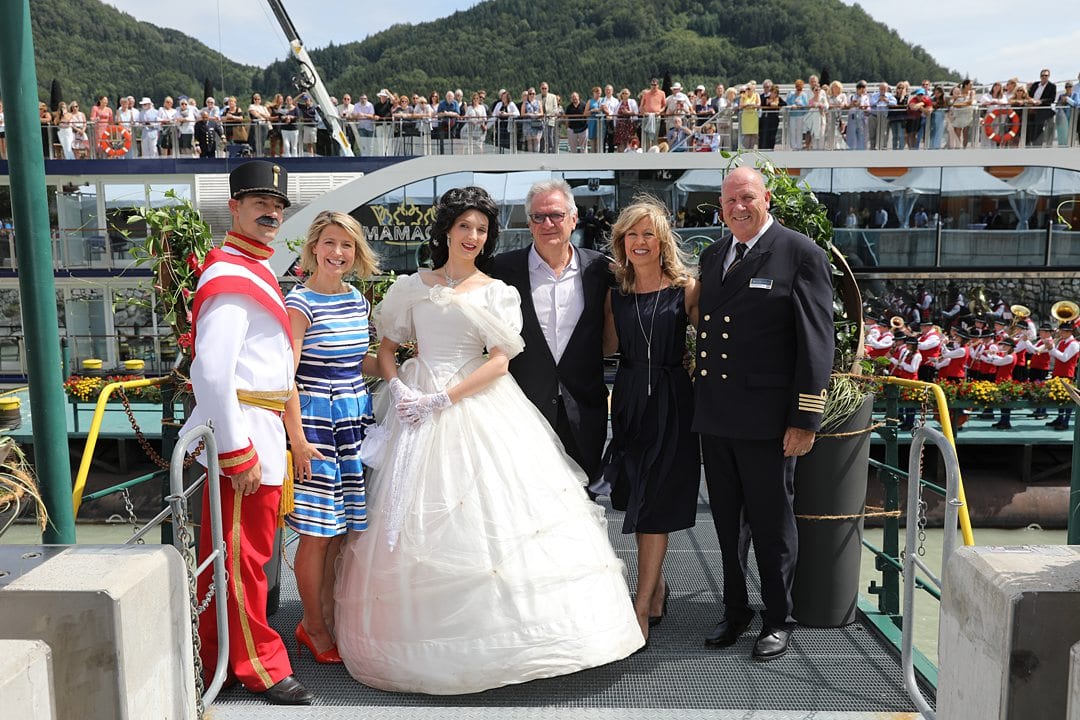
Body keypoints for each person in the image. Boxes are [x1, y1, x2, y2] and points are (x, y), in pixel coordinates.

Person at [334, 186, 643, 694]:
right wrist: (399, 388)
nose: (473, 237)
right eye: (464, 227)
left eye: (481, 229)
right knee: (406, 517)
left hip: (475, 401)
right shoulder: (413, 286)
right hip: (416, 402)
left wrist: (444, 399)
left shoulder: (496, 290)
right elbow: (387, 348)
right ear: (447, 230)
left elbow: (500, 360)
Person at [181, 160, 313, 705]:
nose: (272, 213)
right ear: (234, 207)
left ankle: (224, 658)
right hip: (246, 436)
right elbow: (211, 371)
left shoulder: (249, 268)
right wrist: (236, 451)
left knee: (245, 556)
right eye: (260, 203)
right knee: (241, 559)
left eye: (278, 206)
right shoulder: (232, 274)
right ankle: (257, 664)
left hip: (260, 429)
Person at [694, 167, 834, 661]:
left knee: (773, 526)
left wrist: (805, 419)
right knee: (728, 525)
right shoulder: (713, 257)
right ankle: (736, 611)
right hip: (716, 417)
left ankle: (778, 617)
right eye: (730, 199)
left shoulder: (800, 254)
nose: (738, 207)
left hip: (770, 422)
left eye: (747, 197)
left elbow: (817, 343)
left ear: (766, 198)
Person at [282, 211, 380, 668]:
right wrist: (297, 441)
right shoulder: (299, 304)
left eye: (347, 245)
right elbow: (285, 376)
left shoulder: (357, 299)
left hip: (355, 418)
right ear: (314, 247)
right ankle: (313, 626)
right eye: (330, 243)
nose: (338, 253)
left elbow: (358, 362)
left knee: (341, 532)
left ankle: (324, 615)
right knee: (318, 534)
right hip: (318, 424)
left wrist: (425, 370)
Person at [600, 197, 701, 643]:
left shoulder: (687, 288)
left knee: (653, 504)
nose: (640, 242)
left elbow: (719, 341)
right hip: (626, 400)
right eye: (631, 235)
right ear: (621, 242)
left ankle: (639, 606)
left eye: (648, 234)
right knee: (633, 496)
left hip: (672, 400)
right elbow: (602, 348)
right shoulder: (614, 294)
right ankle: (657, 587)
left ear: (662, 241)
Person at [489, 179, 614, 488]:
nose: (548, 224)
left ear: (573, 219)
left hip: (584, 414)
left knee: (583, 506)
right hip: (522, 413)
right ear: (529, 223)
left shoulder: (601, 270)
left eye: (556, 215)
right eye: (538, 217)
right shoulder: (500, 271)